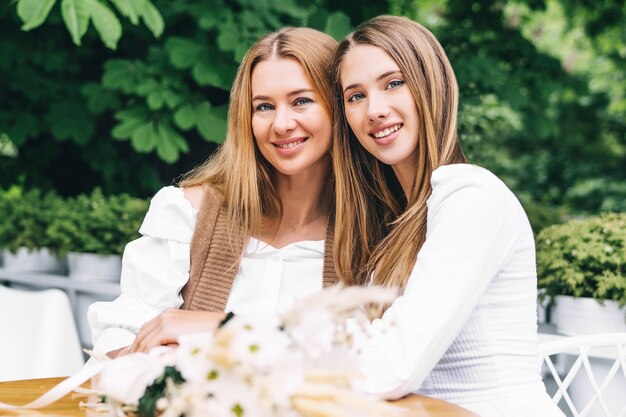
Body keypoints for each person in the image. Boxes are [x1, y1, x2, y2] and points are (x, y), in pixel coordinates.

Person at [333, 15, 564, 417]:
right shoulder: (396, 224)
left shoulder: (472, 197)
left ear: (431, 85)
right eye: (355, 96)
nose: (375, 110)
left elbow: (390, 368)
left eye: (394, 83)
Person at [88, 27, 339, 357]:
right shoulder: (190, 213)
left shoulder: (374, 229)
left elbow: (374, 353)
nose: (281, 124)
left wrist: (227, 328)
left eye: (301, 101)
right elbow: (119, 336)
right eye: (263, 107)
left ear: (339, 106)